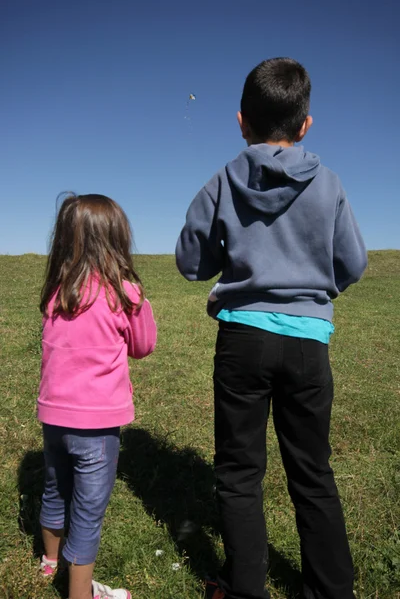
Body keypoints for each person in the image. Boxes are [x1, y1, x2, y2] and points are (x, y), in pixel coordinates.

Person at [175, 57, 367, 599]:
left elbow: (191, 263)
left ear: (242, 122)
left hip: (242, 341)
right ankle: (332, 590)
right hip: (308, 344)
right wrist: (312, 291)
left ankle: (243, 589)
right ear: (305, 125)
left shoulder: (223, 180)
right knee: (313, 471)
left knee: (239, 473)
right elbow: (351, 264)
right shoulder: (328, 184)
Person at [37, 193, 157, 599]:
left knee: (55, 490)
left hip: (53, 419)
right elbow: (144, 346)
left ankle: (48, 562)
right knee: (88, 513)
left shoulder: (56, 294)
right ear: (117, 239)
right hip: (98, 426)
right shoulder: (125, 293)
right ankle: (81, 594)